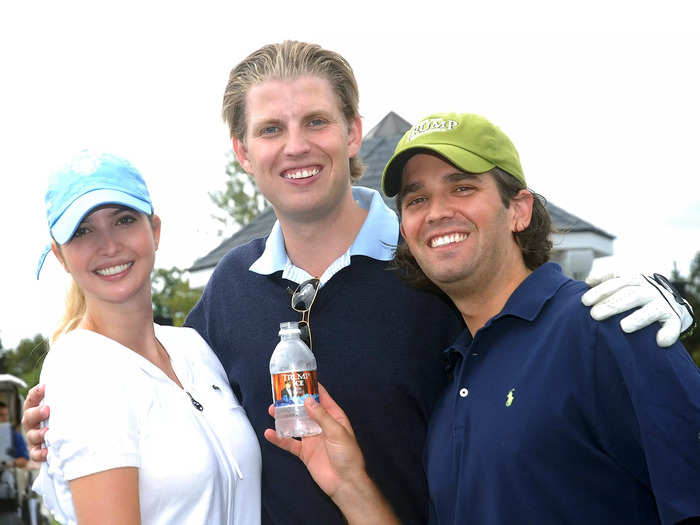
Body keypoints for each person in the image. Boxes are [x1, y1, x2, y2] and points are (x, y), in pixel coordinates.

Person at [22, 42, 691, 525]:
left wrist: (661, 299)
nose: (296, 145)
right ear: (242, 151)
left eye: (316, 121)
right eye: (271, 129)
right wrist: (59, 432)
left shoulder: (433, 254)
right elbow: (160, 394)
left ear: (353, 133)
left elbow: (532, 313)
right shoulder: (227, 291)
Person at [267, 112, 700, 524]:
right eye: (417, 199)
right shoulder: (456, 378)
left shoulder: (609, 330)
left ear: (519, 210)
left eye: (462, 188)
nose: (436, 212)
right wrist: (349, 484)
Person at [31, 152, 261, 525]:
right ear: (60, 255)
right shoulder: (79, 371)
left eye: (124, 220)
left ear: (154, 230)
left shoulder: (194, 347)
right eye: (83, 231)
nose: (109, 246)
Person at [0, 402, 28, 469]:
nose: (5, 419)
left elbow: (24, 460)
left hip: (5, 473)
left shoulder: (13, 435)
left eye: (5, 415)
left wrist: (6, 463)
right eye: (1, 415)